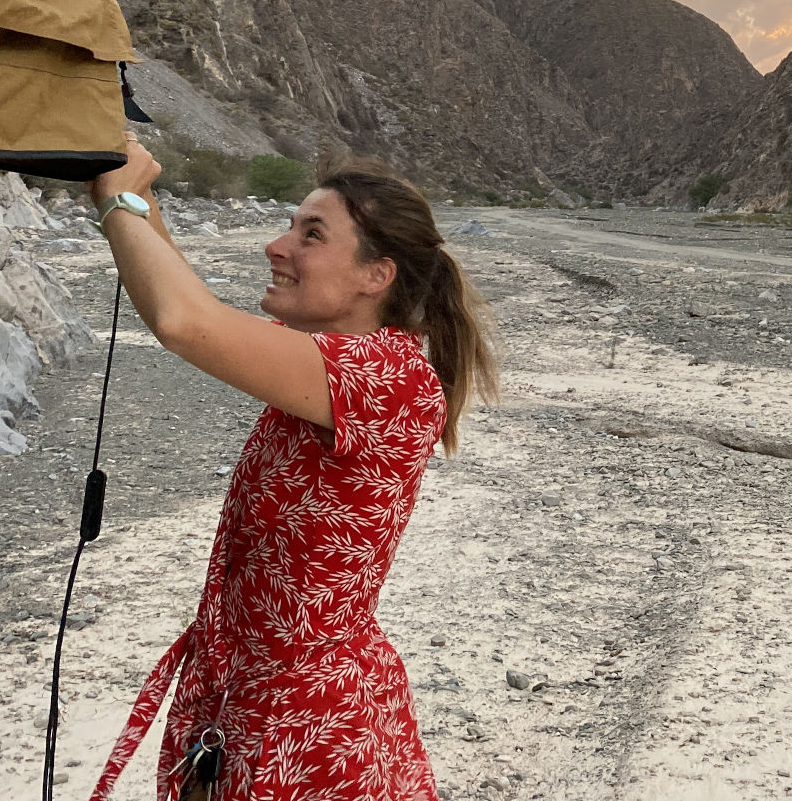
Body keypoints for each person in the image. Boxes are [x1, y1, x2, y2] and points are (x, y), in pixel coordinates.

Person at [81, 138, 496, 801]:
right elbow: (192, 303)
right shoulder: (334, 366)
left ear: (375, 275)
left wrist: (119, 199)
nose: (277, 246)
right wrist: (142, 196)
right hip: (265, 705)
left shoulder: (386, 377)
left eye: (311, 234)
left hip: (312, 731)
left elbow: (185, 322)